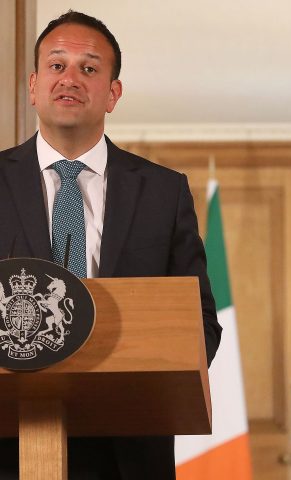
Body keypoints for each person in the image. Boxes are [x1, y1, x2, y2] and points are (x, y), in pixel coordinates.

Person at [0, 10, 222, 479]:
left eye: (89, 68)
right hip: (12, 442)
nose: (71, 79)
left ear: (113, 93)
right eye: (57, 66)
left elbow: (199, 322)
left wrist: (144, 379)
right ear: (34, 86)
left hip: (131, 450)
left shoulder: (164, 192)